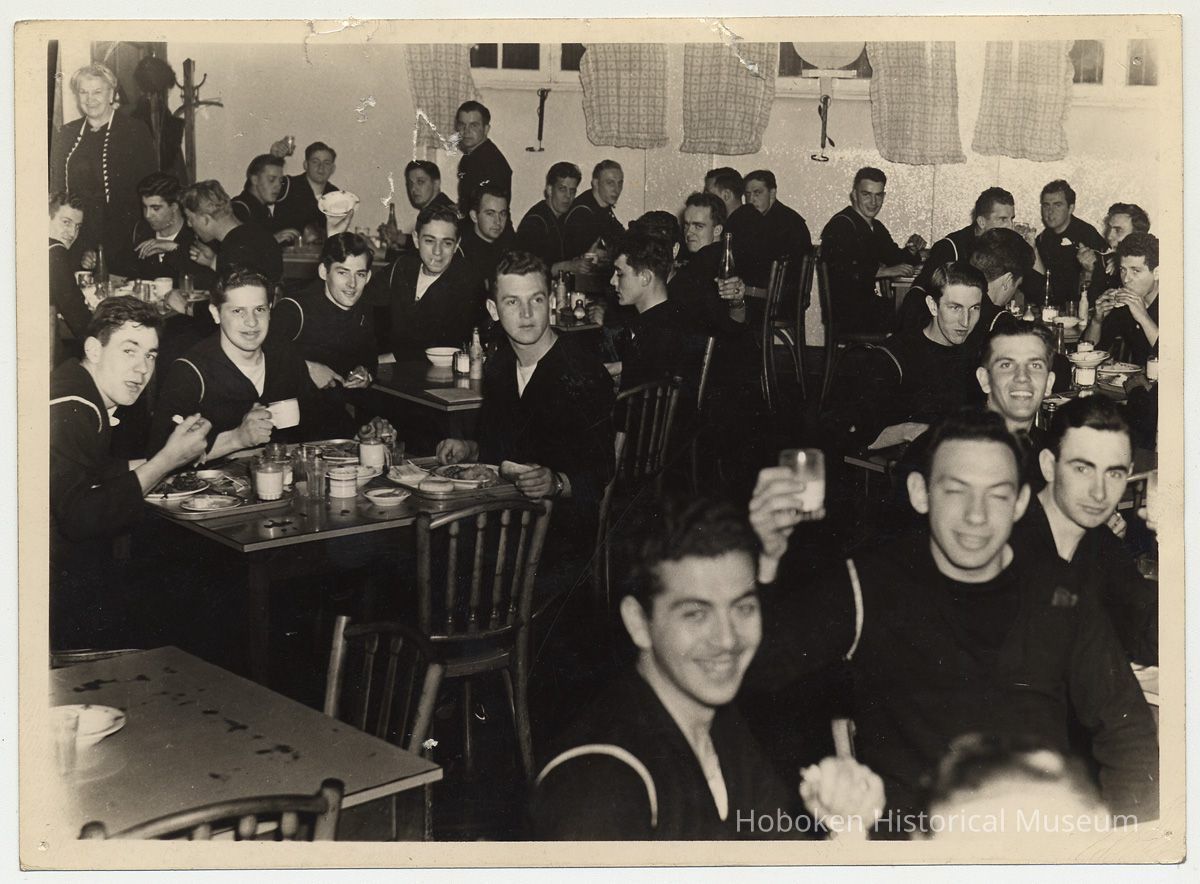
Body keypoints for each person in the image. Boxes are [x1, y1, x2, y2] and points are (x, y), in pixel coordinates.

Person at [749, 409, 1160, 828]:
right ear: (920, 493)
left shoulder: (1059, 592)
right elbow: (756, 671)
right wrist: (766, 560)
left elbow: (1129, 736)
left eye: (997, 494)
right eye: (956, 491)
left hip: (1033, 840)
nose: (976, 516)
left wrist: (1121, 848)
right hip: (914, 848)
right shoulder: (868, 583)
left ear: (1020, 502)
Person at [533, 496, 884, 840]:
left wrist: (846, 828)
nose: (727, 639)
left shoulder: (718, 723)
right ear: (638, 622)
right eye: (696, 614)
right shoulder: (599, 785)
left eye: (743, 608)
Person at [51, 296, 210, 648]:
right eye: (129, 350)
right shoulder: (73, 408)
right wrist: (165, 461)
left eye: (150, 355)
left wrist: (168, 458)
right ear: (94, 349)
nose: (142, 369)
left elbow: (86, 470)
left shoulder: (77, 386)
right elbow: (78, 517)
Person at [436, 250, 614, 527]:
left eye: (537, 299)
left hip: (560, 529)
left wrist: (555, 483)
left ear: (552, 302)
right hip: (506, 517)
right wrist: (468, 450)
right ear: (493, 310)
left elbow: (601, 474)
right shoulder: (500, 366)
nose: (527, 313)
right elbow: (498, 450)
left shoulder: (582, 372)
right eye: (512, 302)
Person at [1012, 396, 1158, 665]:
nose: (1099, 492)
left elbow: (1151, 630)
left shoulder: (1098, 542)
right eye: (1082, 469)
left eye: (1113, 473)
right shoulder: (1004, 540)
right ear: (1048, 466)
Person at [149, 267, 317, 459]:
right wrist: (237, 439)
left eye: (259, 310)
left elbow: (317, 424)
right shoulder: (190, 371)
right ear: (216, 313)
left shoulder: (285, 356)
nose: (252, 322)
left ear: (270, 310)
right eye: (238, 311)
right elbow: (159, 456)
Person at [828, 263, 984, 453]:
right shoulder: (893, 358)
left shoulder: (974, 351)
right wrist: (909, 431)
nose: (965, 321)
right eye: (955, 308)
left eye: (974, 308)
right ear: (932, 306)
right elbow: (852, 436)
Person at [268, 232, 378, 438]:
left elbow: (369, 355)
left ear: (368, 277)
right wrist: (307, 368)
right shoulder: (294, 309)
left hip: (336, 421)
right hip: (288, 427)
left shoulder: (363, 308)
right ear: (323, 272)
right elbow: (261, 356)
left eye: (360, 274)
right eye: (343, 272)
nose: (352, 284)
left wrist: (366, 373)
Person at [49, 62, 156, 268]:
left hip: (123, 231)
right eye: (83, 92)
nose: (90, 99)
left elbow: (149, 185)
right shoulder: (66, 133)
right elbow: (58, 188)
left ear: (111, 94)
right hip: (76, 231)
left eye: (97, 91)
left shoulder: (134, 130)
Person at [364, 203, 484, 361]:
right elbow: (364, 303)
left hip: (438, 379)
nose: (437, 251)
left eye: (447, 243)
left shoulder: (466, 284)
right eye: (429, 241)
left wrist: (381, 360)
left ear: (456, 245)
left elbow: (443, 348)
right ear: (415, 239)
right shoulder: (401, 268)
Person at [819, 167, 927, 334]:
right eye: (866, 194)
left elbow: (895, 258)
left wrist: (913, 250)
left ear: (884, 196)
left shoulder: (875, 227)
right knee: (918, 314)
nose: (873, 202)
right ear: (854, 195)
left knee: (920, 308)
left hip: (866, 306)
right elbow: (843, 270)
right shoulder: (841, 225)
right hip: (847, 312)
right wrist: (884, 271)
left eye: (878, 195)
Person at [900, 187, 1017, 330]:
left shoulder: (1000, 249)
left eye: (1012, 219)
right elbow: (919, 295)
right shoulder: (950, 248)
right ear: (981, 222)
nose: (1010, 226)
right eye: (1003, 219)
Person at [609, 230, 705, 394]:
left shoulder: (657, 333)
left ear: (645, 278)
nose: (612, 281)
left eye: (620, 274)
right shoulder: (673, 317)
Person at [181, 180, 284, 288]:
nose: (189, 224)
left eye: (190, 218)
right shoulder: (256, 233)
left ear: (205, 219)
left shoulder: (234, 249)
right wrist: (213, 262)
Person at [670, 192, 747, 333]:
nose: (688, 233)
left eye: (698, 226)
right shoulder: (722, 255)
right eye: (686, 225)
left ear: (717, 229)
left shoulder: (706, 257)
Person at [128, 172, 216, 289]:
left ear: (174, 207)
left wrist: (174, 248)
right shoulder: (141, 231)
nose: (148, 215)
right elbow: (124, 273)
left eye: (156, 208)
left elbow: (205, 284)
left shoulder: (197, 233)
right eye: (144, 207)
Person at [1083, 232, 1159, 366]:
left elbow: (1175, 360)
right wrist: (1097, 320)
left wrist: (1143, 317)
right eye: (1123, 270)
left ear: (1157, 273)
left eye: (1135, 271)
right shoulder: (1124, 303)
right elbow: (1088, 355)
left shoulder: (1176, 301)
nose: (1126, 279)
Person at [1028, 179, 1106, 308]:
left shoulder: (1086, 233)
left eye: (1057, 205)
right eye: (1046, 205)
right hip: (1051, 308)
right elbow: (1041, 280)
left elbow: (1102, 278)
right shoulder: (1043, 237)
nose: (1050, 211)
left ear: (1071, 208)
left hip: (1080, 309)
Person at [516, 161, 591, 278]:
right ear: (549, 190)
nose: (568, 196)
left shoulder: (560, 217)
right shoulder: (535, 222)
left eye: (572, 191)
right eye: (562, 189)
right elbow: (531, 270)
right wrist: (569, 266)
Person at [742, 169, 813, 291]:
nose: (751, 199)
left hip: (777, 300)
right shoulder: (755, 218)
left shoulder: (789, 223)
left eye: (757, 193)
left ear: (772, 193)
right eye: (748, 194)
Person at [703, 167, 765, 288]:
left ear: (726, 195)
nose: (707, 201)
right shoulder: (750, 216)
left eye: (709, 195)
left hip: (746, 298)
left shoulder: (736, 226)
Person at [49, 192, 92, 363]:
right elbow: (75, 310)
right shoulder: (55, 250)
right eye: (66, 222)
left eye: (78, 227)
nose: (72, 233)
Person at [454, 100, 512, 220]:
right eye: (462, 125)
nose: (466, 131)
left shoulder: (492, 162)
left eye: (473, 125)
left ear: (486, 129)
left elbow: (491, 215)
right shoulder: (469, 157)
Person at [1082, 202, 1151, 303]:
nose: (1109, 236)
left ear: (1137, 235)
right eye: (1109, 228)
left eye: (1118, 230)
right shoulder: (1106, 259)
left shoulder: (1152, 265)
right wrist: (1089, 272)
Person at [272, 141, 339, 241]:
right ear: (306, 165)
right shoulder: (288, 184)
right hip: (285, 254)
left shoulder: (335, 194)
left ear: (332, 169)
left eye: (327, 163)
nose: (321, 167)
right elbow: (258, 187)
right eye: (315, 162)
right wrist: (273, 158)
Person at [457, 183, 517, 293]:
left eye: (502, 214)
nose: (498, 221)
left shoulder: (508, 247)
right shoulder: (462, 253)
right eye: (490, 213)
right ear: (474, 216)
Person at [563, 160, 626, 262]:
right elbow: (592, 257)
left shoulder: (603, 206)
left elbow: (621, 240)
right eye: (610, 183)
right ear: (596, 183)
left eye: (620, 183)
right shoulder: (582, 213)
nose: (616, 189)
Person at [231, 154, 298, 244]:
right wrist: (271, 240)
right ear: (255, 179)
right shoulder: (239, 208)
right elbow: (238, 247)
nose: (278, 186)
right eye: (271, 179)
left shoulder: (264, 210)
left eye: (280, 181)